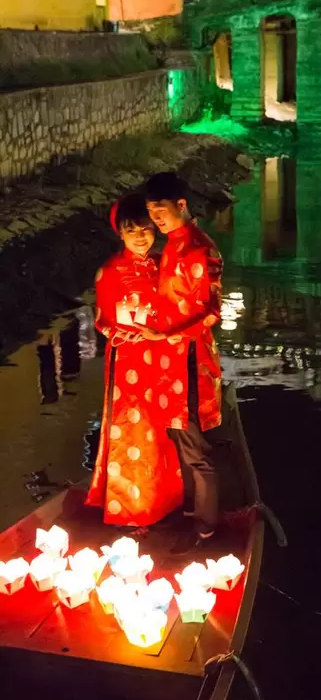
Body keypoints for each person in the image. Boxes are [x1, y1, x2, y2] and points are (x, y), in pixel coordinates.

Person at [86, 194, 183, 528]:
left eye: (146, 229)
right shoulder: (110, 272)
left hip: (162, 359)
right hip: (127, 362)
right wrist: (124, 335)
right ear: (120, 234)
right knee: (131, 429)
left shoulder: (164, 266)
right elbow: (101, 320)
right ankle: (129, 505)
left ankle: (166, 498)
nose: (141, 236)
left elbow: (174, 309)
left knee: (162, 428)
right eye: (132, 231)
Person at [144, 172, 223, 551]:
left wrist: (169, 335)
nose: (156, 220)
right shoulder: (168, 250)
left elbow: (211, 312)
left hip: (188, 358)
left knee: (192, 443)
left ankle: (207, 526)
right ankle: (191, 511)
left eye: (160, 211)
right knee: (176, 436)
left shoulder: (200, 249)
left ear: (181, 205)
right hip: (166, 358)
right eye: (151, 213)